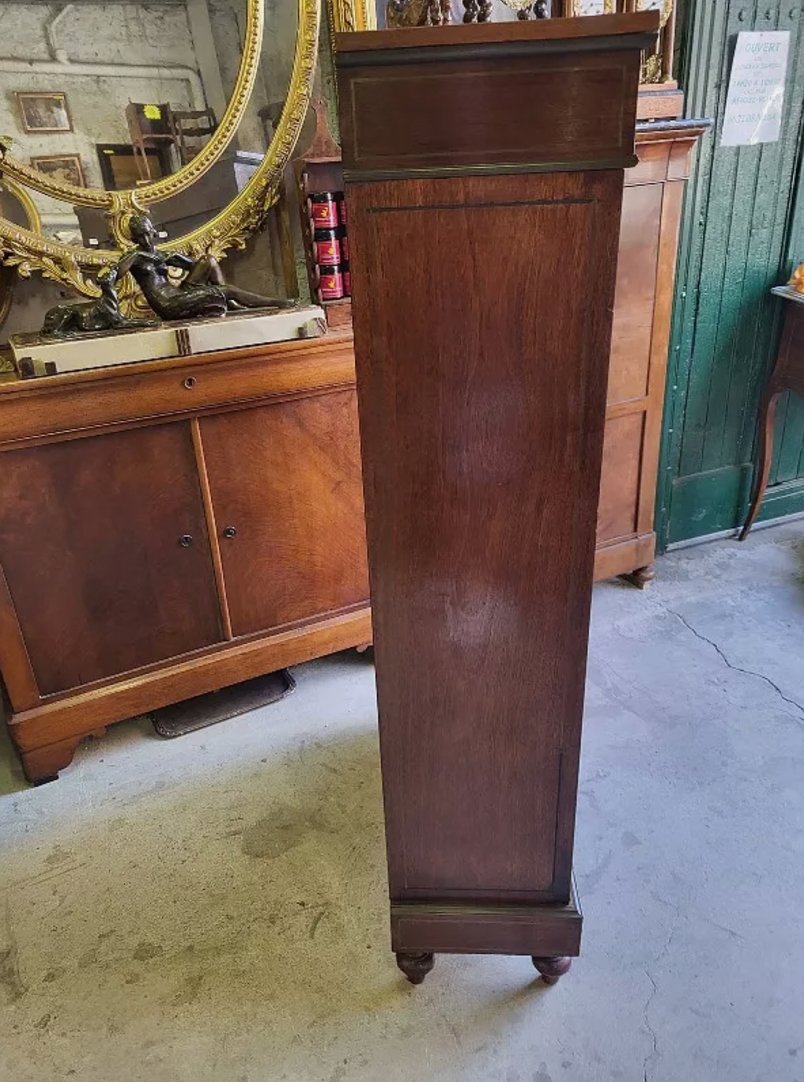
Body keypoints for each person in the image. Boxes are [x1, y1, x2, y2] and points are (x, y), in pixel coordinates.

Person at [116, 213, 294, 322]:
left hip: (180, 294)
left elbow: (195, 267)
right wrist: (134, 256)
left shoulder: (159, 254)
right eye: (141, 237)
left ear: (153, 232)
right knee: (227, 289)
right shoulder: (135, 258)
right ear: (134, 239)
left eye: (148, 234)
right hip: (169, 304)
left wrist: (181, 259)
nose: (146, 240)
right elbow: (115, 274)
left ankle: (230, 302)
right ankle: (275, 303)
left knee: (208, 260)